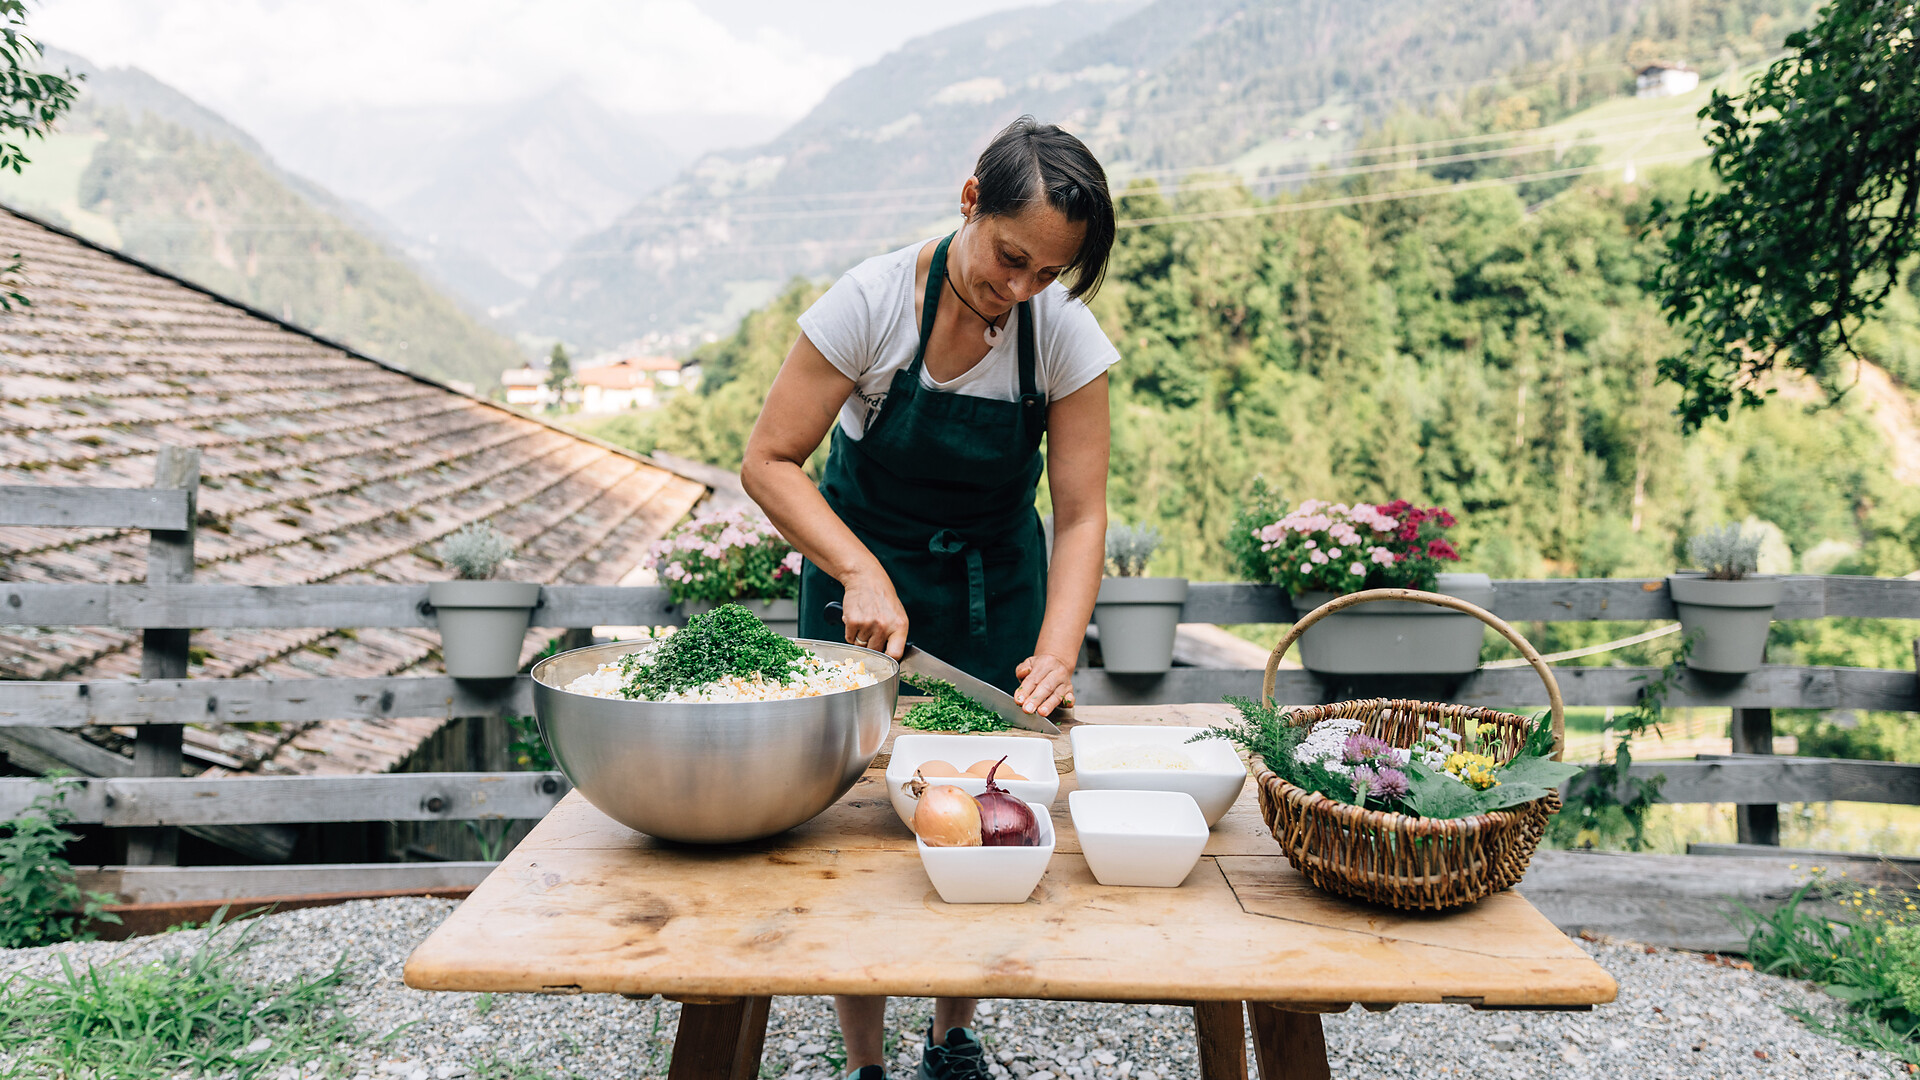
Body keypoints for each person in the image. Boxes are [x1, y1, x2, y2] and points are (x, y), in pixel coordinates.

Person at [740, 116, 1118, 1080]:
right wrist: (858, 571)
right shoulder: (871, 303)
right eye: (1011, 258)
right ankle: (864, 1058)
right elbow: (769, 462)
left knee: (989, 812)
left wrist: (1058, 649)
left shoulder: (1062, 336)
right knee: (853, 822)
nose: (1021, 290)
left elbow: (1081, 515)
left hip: (997, 591)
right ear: (969, 201)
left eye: (1049, 273)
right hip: (860, 585)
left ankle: (952, 1035)